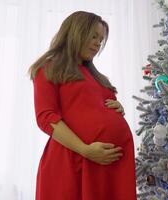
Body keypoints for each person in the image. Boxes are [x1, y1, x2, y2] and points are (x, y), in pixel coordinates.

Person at [28, 11, 137, 200]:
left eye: (101, 39)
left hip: (108, 166)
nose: (98, 43)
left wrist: (118, 109)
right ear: (75, 32)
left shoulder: (96, 77)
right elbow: (46, 117)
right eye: (93, 36)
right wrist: (85, 150)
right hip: (73, 161)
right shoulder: (49, 68)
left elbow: (96, 108)